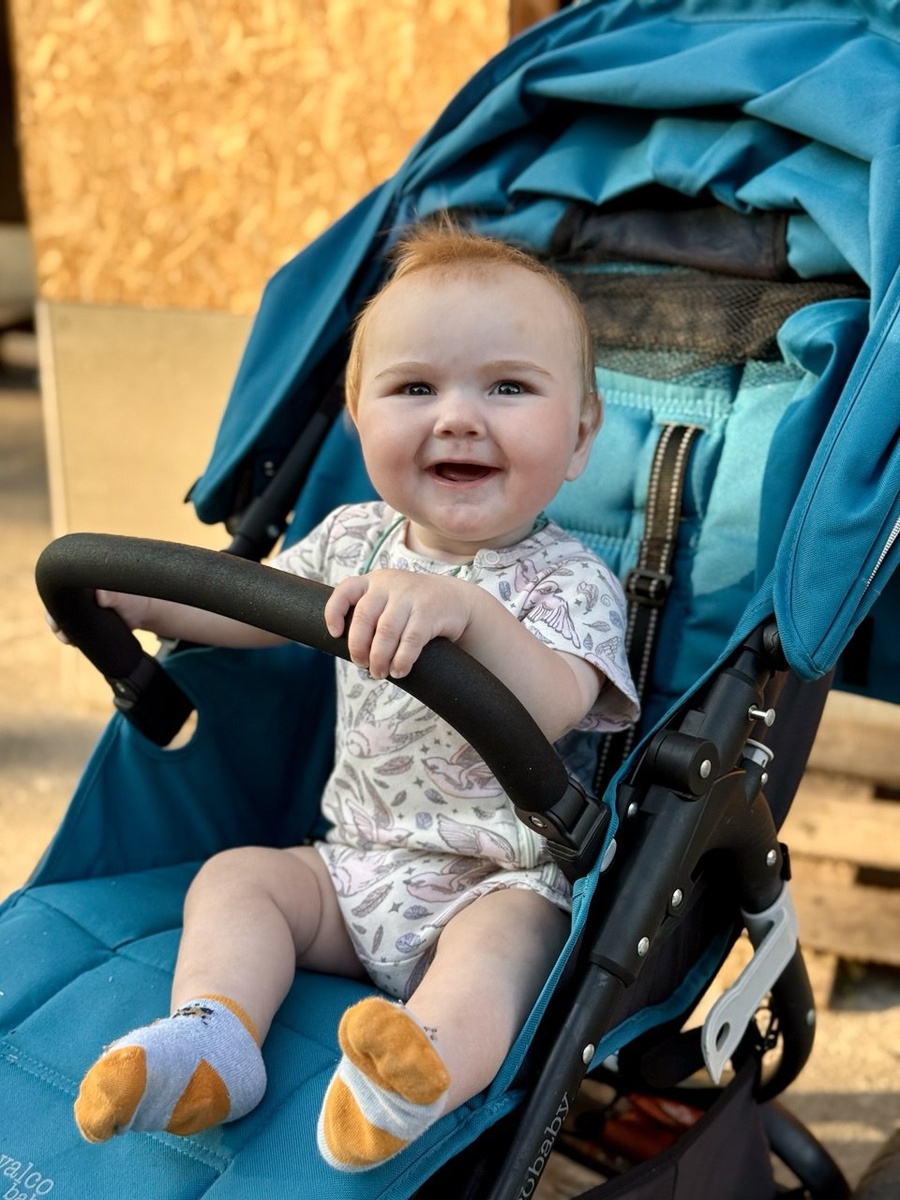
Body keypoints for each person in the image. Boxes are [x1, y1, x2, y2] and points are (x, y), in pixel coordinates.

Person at [61, 221, 639, 1171]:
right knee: (239, 880)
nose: (458, 418)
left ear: (579, 436)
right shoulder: (354, 540)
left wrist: (467, 615)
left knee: (514, 944)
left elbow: (555, 703)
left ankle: (416, 1078)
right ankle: (215, 1038)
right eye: (415, 389)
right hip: (351, 872)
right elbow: (250, 608)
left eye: (507, 387)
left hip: (491, 881)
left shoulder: (570, 581)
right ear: (359, 418)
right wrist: (140, 598)